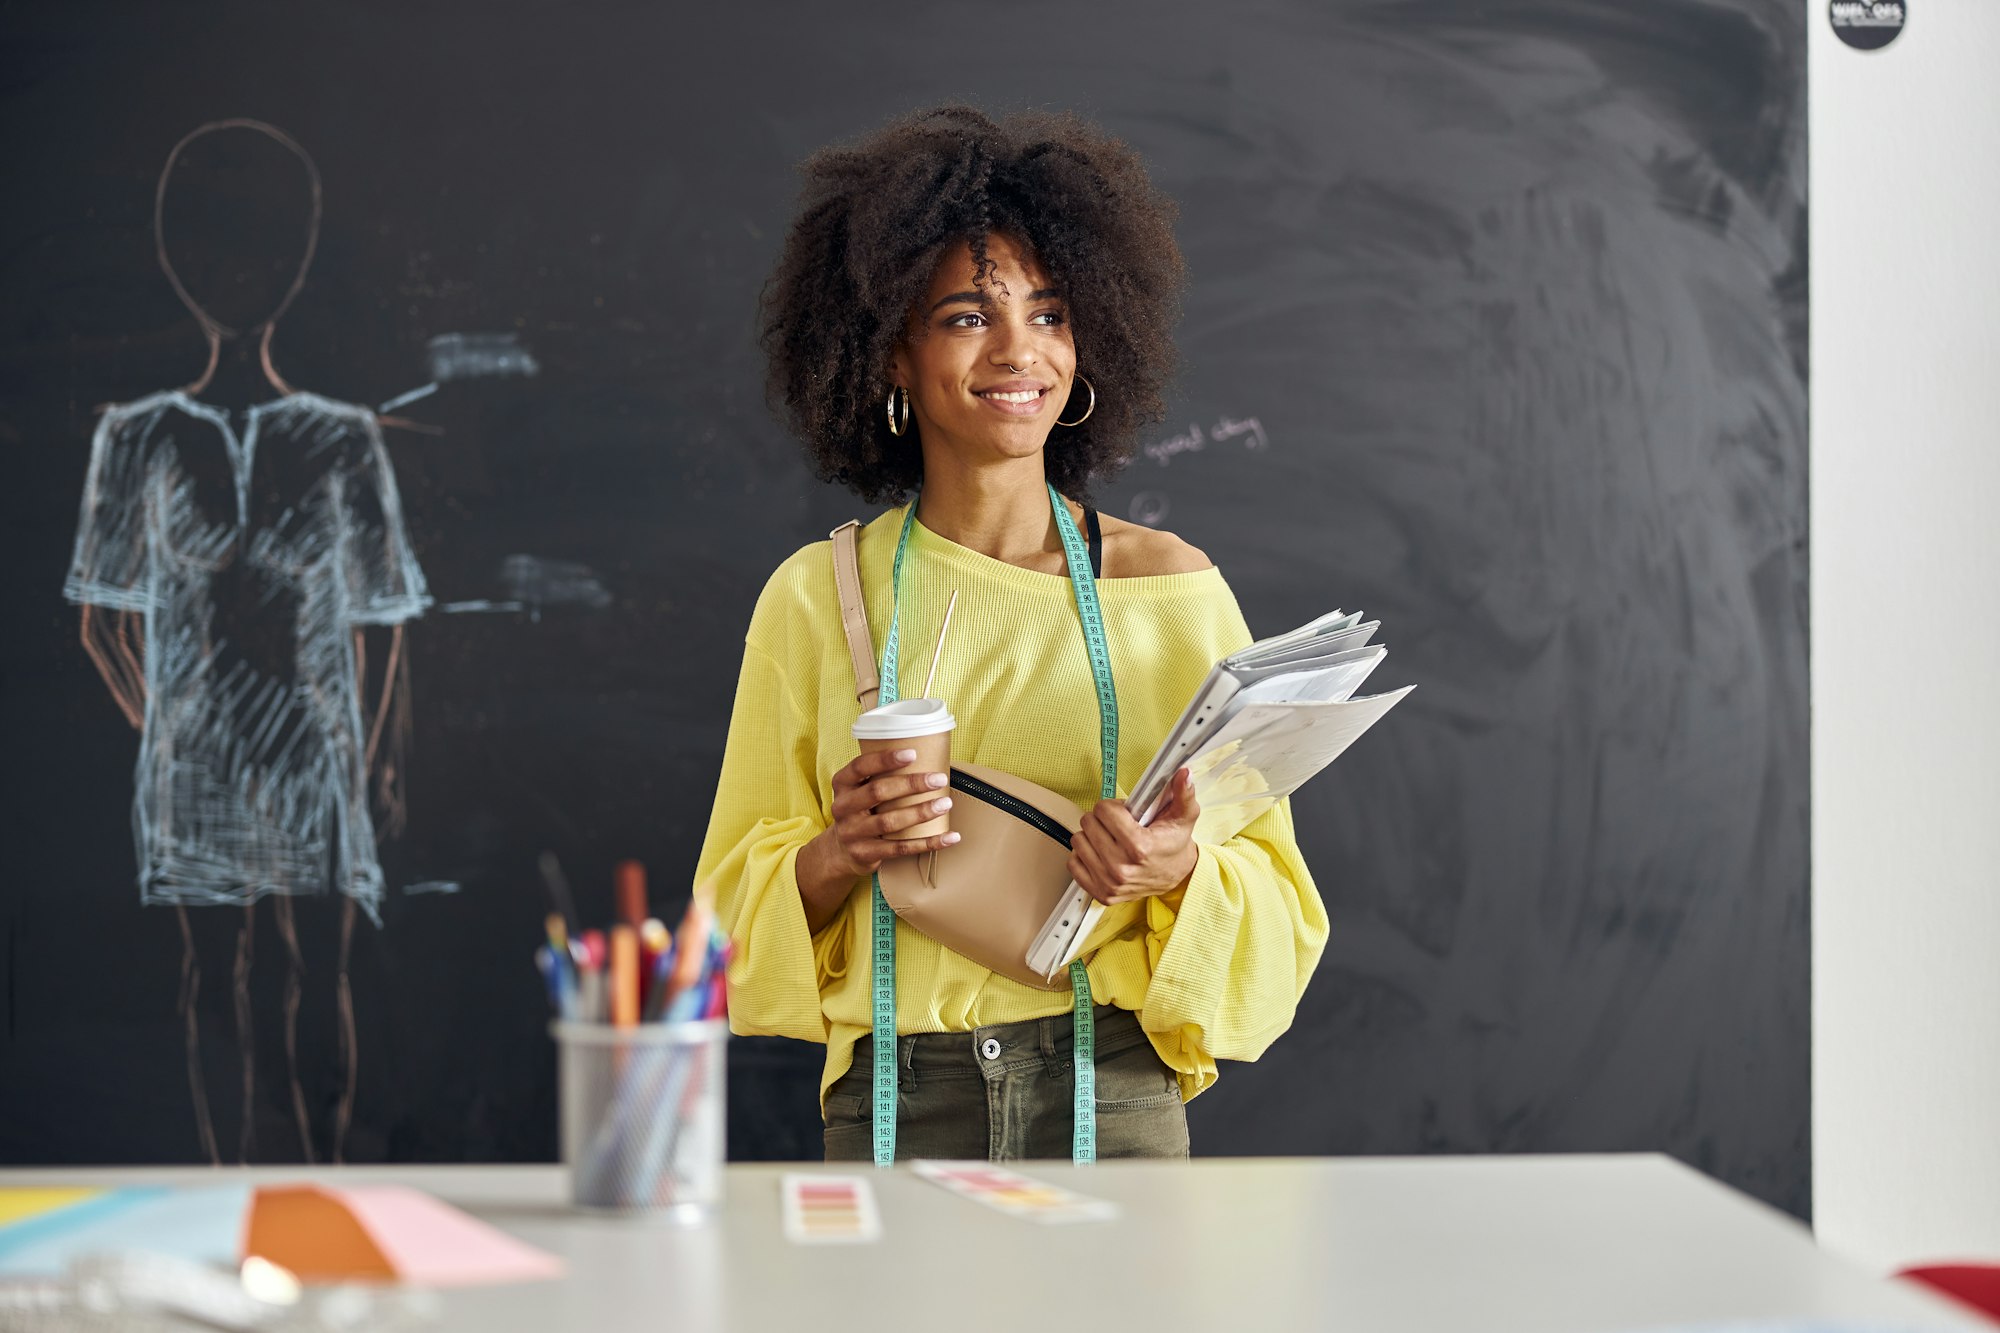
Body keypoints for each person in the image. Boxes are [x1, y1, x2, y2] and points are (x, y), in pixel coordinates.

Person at [697, 105, 1326, 1162]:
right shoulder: (817, 598)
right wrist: (836, 851)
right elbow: (718, 934)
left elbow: (1279, 914)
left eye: (1048, 313)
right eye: (963, 316)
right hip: (900, 1101)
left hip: (1113, 1091)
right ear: (888, 352)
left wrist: (1170, 870)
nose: (1017, 351)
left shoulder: (1172, 594)